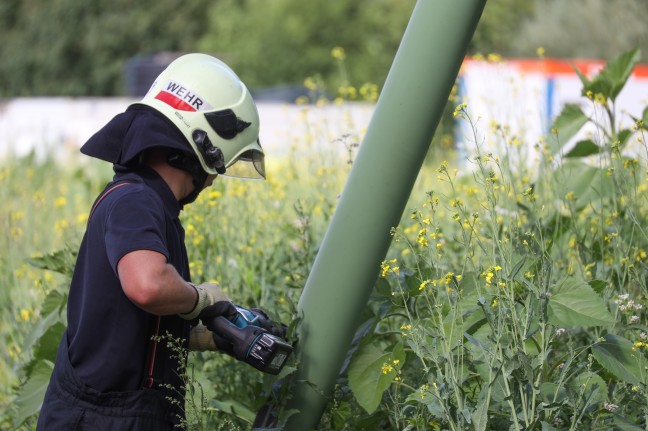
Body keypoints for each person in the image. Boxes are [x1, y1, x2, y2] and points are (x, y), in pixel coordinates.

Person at [37, 53, 267, 430]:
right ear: (203, 146)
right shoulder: (136, 201)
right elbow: (147, 285)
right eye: (219, 165)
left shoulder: (151, 205)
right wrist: (203, 299)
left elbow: (122, 330)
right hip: (101, 419)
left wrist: (211, 336)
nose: (213, 179)